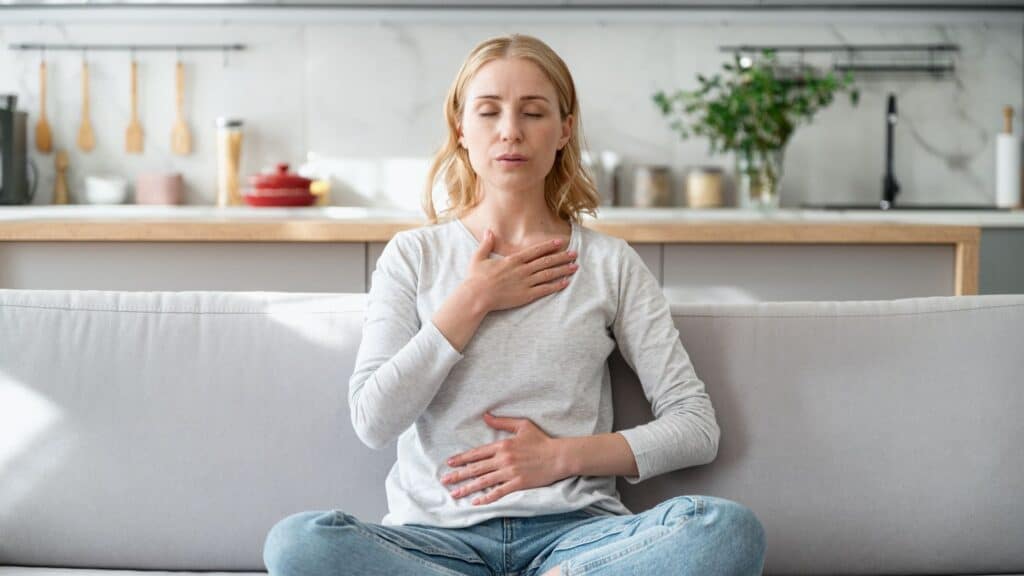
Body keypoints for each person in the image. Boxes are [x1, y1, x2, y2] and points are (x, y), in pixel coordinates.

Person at [263, 33, 766, 576]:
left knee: (727, 530)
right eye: (488, 111)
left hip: (576, 539)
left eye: (533, 112)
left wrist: (560, 456)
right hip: (436, 543)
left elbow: (695, 427)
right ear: (461, 127)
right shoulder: (413, 257)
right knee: (298, 544)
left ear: (564, 130)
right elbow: (373, 421)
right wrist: (473, 299)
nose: (510, 131)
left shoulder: (610, 264)